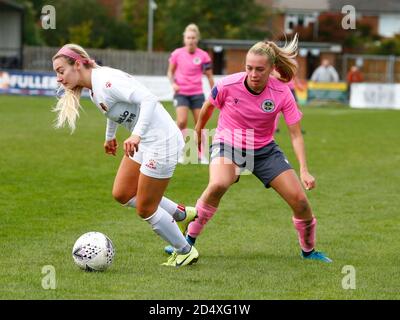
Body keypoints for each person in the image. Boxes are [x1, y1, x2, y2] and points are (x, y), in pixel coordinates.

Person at [165, 34, 332, 263]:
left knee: (300, 201)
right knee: (218, 184)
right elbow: (207, 107)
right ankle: (186, 242)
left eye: (260, 69)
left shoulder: (282, 92)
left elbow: (295, 134)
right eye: (249, 68)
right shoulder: (227, 84)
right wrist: (199, 132)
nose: (253, 74)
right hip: (228, 143)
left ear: (272, 68)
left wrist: (304, 169)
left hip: (264, 149)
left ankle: (309, 252)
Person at [52, 43, 198, 267]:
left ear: (78, 64)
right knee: (122, 193)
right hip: (145, 141)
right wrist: (110, 136)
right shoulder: (93, 88)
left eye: (61, 71)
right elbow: (112, 111)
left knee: (146, 208)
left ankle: (185, 250)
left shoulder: (107, 81)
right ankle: (179, 214)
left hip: (162, 141)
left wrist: (136, 135)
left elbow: (149, 99)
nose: (59, 79)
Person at [167, 23, 214, 164]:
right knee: (181, 122)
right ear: (184, 39)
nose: (191, 40)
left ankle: (201, 154)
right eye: (188, 37)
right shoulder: (177, 54)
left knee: (200, 125)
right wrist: (173, 83)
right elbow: (170, 72)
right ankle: (179, 152)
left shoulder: (204, 56)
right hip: (181, 92)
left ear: (197, 39)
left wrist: (214, 95)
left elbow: (209, 76)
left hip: (197, 94)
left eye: (193, 37)